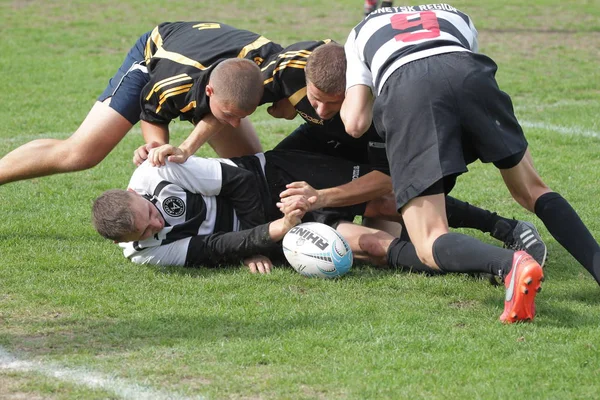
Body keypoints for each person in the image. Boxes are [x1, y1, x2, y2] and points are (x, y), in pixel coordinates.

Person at [337, 4, 600, 319]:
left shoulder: (358, 33)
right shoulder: (455, 14)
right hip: (470, 73)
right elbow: (455, 76)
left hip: (410, 87)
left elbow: (354, 124)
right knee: (531, 189)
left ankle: (510, 264)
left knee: (429, 240)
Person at [92, 150, 543, 323]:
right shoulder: (143, 254)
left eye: (149, 214)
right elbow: (213, 250)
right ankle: (492, 265)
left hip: (277, 179)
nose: (157, 225)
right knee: (371, 247)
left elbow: (239, 182)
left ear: (135, 194)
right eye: (148, 231)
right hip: (277, 229)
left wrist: (272, 226)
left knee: (383, 199)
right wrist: (274, 234)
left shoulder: (155, 171)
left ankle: (507, 230)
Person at [263, 41, 546, 267]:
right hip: (317, 144)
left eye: (332, 103)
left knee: (386, 203)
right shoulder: (292, 68)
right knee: (273, 173)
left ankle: (505, 228)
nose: (321, 112)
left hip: (376, 158)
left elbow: (389, 180)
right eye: (315, 100)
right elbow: (237, 86)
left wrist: (323, 197)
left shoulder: (386, 106)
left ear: (353, 91)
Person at [0, 21, 283, 185]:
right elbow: (153, 115)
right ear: (209, 92)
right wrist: (156, 147)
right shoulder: (169, 82)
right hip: (157, 56)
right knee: (81, 154)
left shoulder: (272, 69)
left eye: (242, 115)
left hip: (216, 66)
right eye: (231, 115)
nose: (237, 123)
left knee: (249, 168)